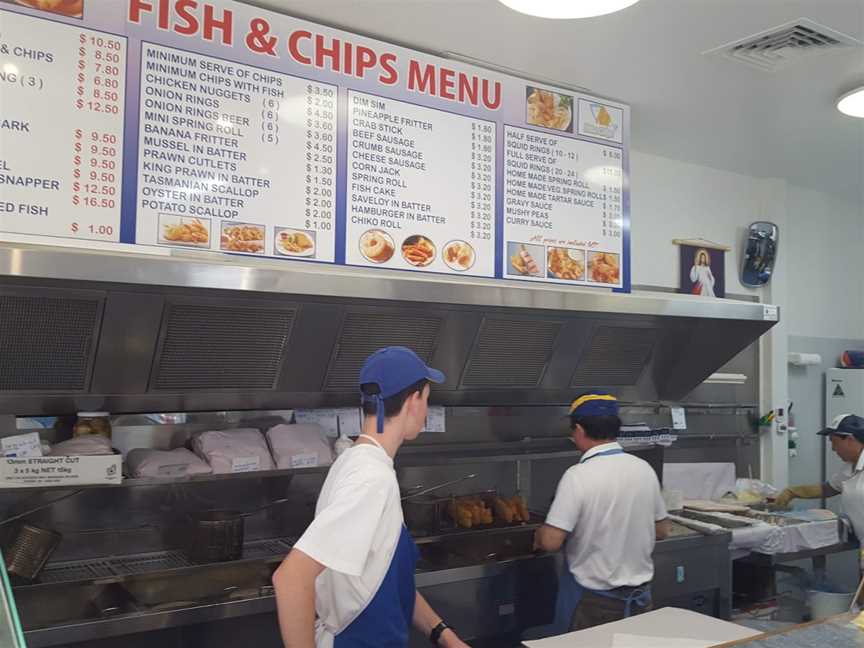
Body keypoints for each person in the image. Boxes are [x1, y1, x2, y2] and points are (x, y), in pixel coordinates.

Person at [272, 346, 469, 648]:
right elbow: (290, 579)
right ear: (414, 401)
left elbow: (377, 576)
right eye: (428, 399)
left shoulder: (357, 461)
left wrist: (444, 636)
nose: (426, 410)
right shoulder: (371, 478)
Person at [534, 392, 670, 632]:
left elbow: (551, 542)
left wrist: (539, 535)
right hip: (639, 600)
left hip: (591, 604)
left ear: (578, 429)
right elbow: (662, 530)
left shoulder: (578, 476)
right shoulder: (644, 469)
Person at [775, 414, 864, 543]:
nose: (833, 449)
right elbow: (828, 488)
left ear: (850, 439)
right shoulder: (850, 467)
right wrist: (792, 492)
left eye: (834, 442)